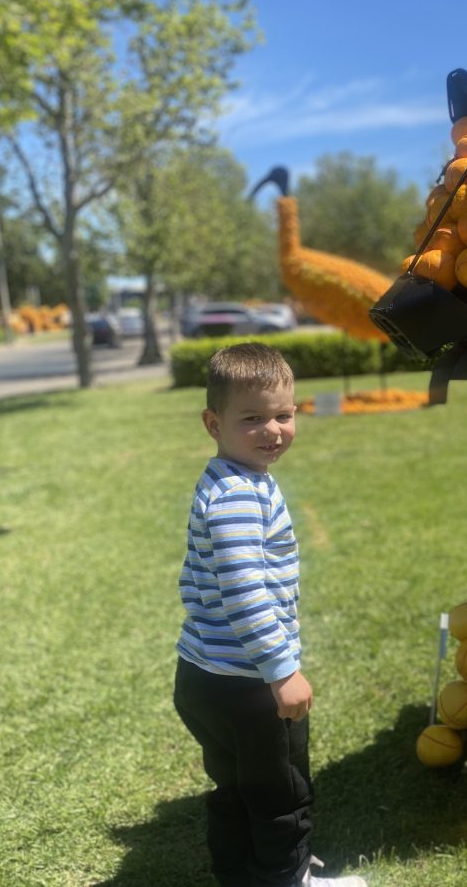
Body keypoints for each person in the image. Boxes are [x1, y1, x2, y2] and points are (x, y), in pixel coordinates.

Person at [173, 343, 365, 887]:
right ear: (213, 422)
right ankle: (288, 879)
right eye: (252, 419)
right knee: (281, 790)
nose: (272, 430)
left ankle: (239, 876)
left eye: (283, 415)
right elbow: (243, 591)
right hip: (249, 683)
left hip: (205, 677)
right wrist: (281, 670)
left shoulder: (227, 477)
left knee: (235, 787)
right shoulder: (238, 494)